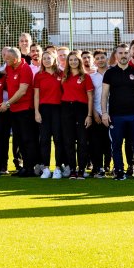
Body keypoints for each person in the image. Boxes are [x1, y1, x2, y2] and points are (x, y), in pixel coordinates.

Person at [101, 45, 134, 180]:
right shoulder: (109, 73)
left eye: (126, 53)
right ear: (116, 55)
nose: (123, 55)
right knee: (116, 144)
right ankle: (119, 171)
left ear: (130, 55)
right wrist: (104, 112)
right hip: (116, 116)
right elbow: (104, 95)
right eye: (120, 53)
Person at [1, 47, 37, 177]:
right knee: (19, 139)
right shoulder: (9, 68)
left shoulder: (25, 68)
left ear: (15, 59)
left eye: (8, 58)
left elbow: (22, 91)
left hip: (25, 109)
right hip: (14, 110)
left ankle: (30, 168)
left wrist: (8, 103)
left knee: (28, 139)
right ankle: (24, 168)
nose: (5, 60)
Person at [60, 50, 93, 180]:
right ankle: (72, 170)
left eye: (75, 59)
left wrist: (89, 115)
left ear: (79, 61)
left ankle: (82, 169)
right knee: (68, 141)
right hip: (66, 108)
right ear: (68, 62)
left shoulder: (86, 77)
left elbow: (90, 97)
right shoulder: (64, 76)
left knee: (82, 141)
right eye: (71, 60)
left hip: (81, 109)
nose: (73, 62)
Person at [33, 50, 65, 179]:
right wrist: (37, 112)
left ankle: (58, 168)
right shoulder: (39, 75)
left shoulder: (61, 74)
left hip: (58, 109)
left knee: (58, 139)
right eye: (44, 58)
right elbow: (36, 95)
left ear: (54, 59)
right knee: (44, 140)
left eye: (49, 58)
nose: (46, 60)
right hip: (44, 110)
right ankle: (46, 168)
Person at [88, 51, 110, 177]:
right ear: (94, 61)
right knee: (96, 142)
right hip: (97, 112)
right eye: (98, 58)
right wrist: (95, 113)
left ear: (106, 58)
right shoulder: (92, 77)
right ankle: (97, 167)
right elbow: (90, 96)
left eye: (102, 57)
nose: (100, 60)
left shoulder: (112, 74)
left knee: (109, 142)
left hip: (111, 113)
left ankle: (107, 165)